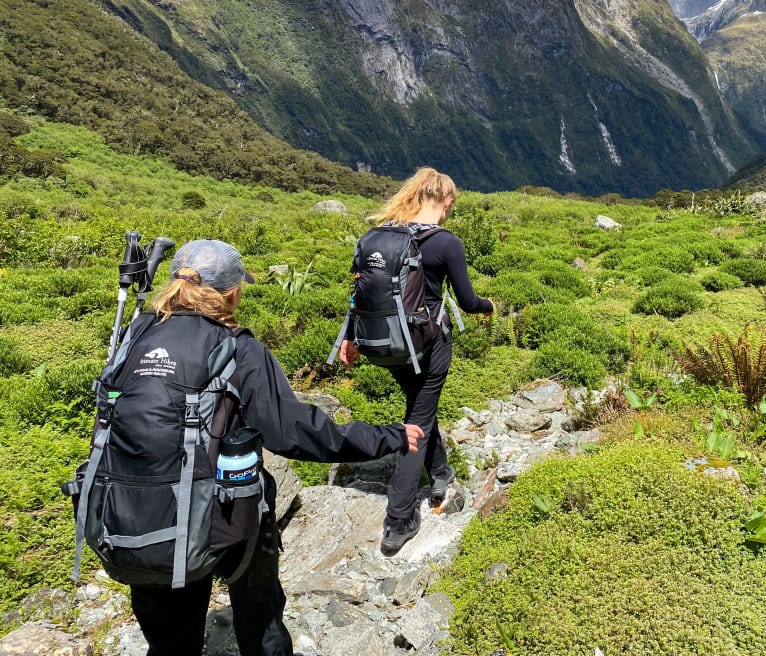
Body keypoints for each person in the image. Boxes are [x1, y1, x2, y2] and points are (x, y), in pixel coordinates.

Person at [128, 239, 424, 656]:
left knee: (169, 642)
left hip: (135, 515)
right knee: (261, 618)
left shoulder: (134, 336)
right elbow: (293, 433)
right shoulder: (239, 349)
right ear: (232, 293)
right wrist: (386, 436)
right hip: (223, 516)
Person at [339, 167, 493, 554]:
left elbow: (359, 295)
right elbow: (468, 301)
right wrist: (489, 305)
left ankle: (440, 473)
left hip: (385, 344)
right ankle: (399, 519)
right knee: (418, 422)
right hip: (428, 345)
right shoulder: (446, 243)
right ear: (448, 202)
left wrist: (348, 338)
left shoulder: (381, 237)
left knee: (420, 406)